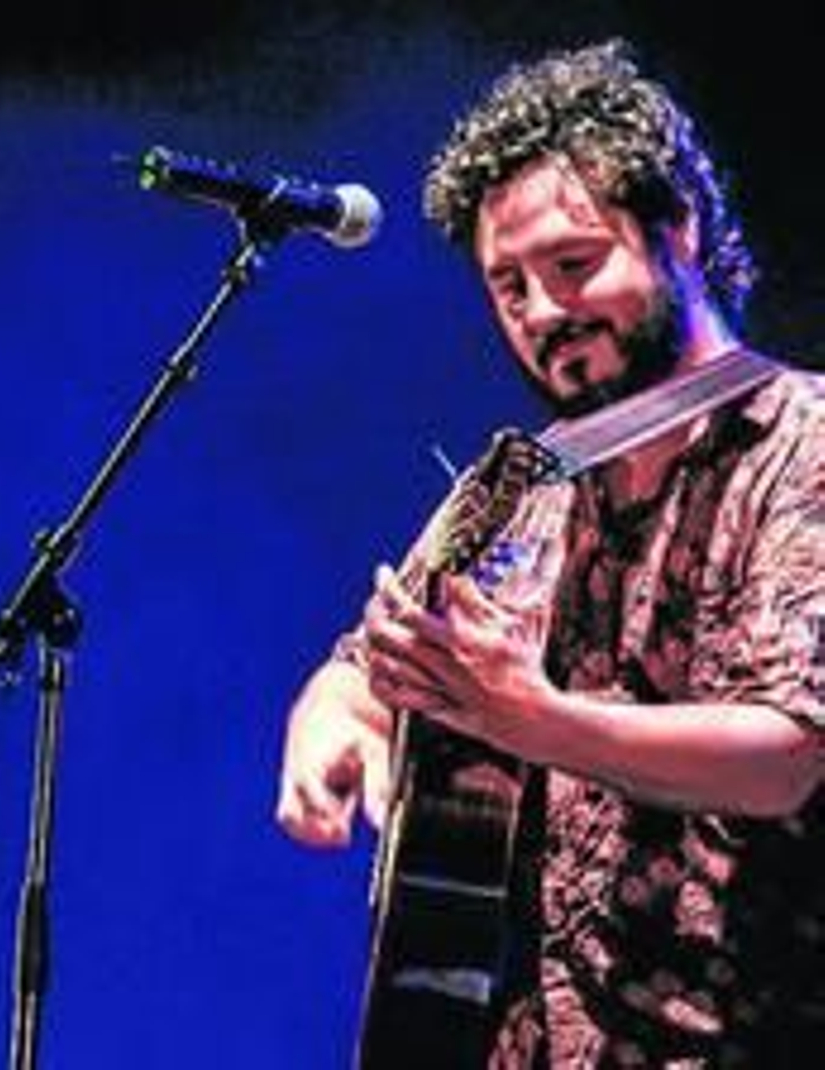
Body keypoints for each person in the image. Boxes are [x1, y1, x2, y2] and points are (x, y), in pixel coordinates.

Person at [275, 39, 825, 1067]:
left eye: (573, 265)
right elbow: (358, 670)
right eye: (507, 286)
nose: (541, 312)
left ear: (678, 230)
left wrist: (527, 717)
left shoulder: (804, 443)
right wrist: (329, 730)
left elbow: (789, 753)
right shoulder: (515, 487)